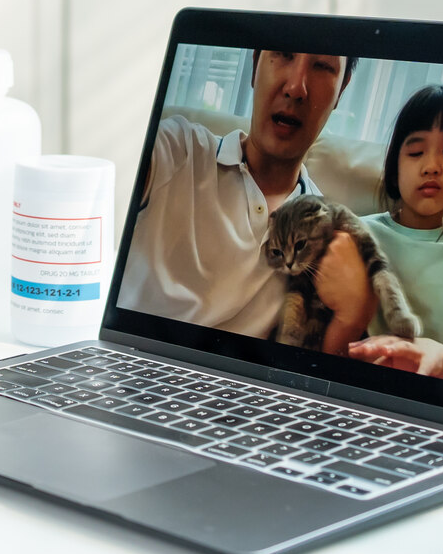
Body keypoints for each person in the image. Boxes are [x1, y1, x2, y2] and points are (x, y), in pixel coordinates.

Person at [118, 49, 362, 338]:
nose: (296, 88)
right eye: (284, 55)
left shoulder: (330, 233)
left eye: (322, 65)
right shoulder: (178, 149)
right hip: (132, 361)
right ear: (255, 63)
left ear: (341, 90)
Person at [346, 83, 443, 388]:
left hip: (423, 404)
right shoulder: (355, 233)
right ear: (394, 167)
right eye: (416, 152)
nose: (431, 166)